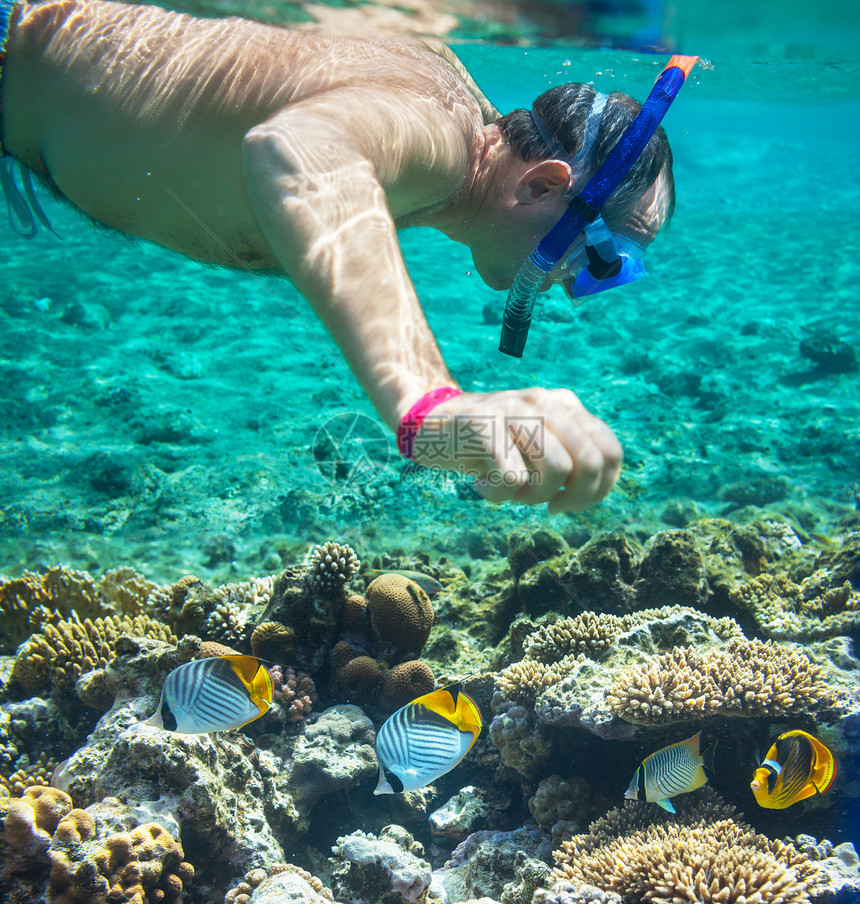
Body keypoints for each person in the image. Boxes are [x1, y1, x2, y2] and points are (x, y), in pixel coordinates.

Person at [0, 0, 677, 513]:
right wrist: (428, 405)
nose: (575, 286)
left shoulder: (449, 130)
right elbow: (295, 149)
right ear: (541, 184)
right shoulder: (440, 139)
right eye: (606, 259)